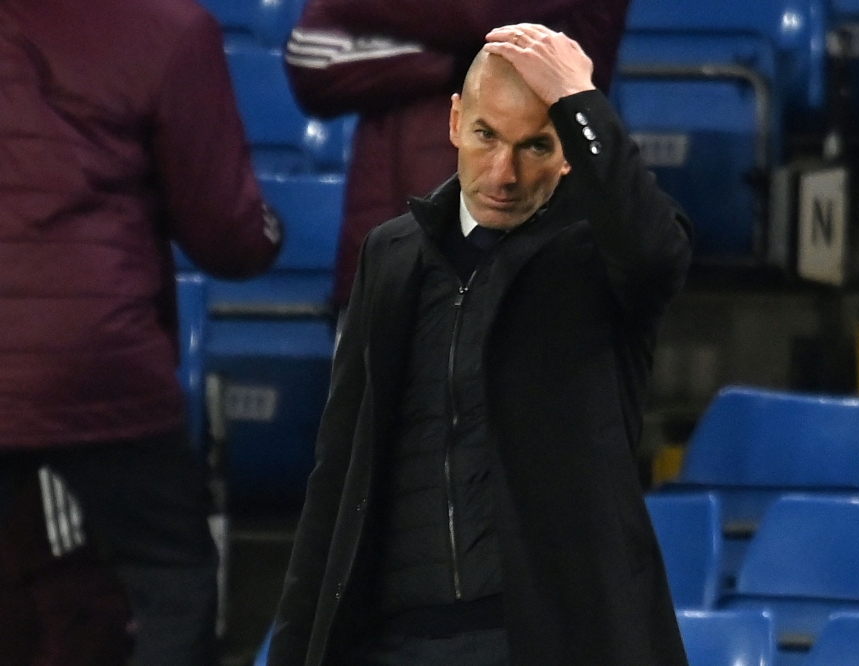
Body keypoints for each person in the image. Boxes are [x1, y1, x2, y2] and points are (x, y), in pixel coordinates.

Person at [269, 23, 692, 666]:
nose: (503, 174)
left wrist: (579, 98)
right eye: (486, 135)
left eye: (535, 145)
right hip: (396, 642)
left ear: (568, 153)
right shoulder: (390, 255)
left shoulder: (594, 259)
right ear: (454, 122)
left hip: (545, 643)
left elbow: (657, 253)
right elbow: (338, 478)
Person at [0, 0, 283, 664]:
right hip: (90, 361)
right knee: (169, 578)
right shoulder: (165, 27)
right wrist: (269, 231)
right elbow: (227, 233)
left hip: (64, 361)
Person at [283, 0, 633, 308]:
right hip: (389, 262)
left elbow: (481, 12)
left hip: (525, 265)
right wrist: (457, 61)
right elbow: (311, 54)